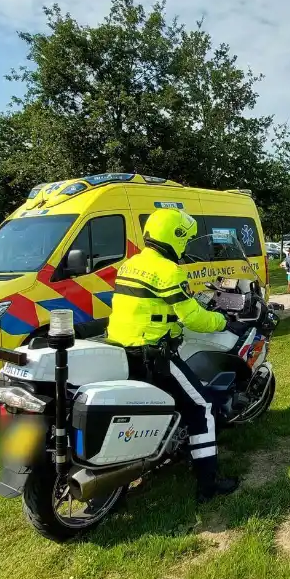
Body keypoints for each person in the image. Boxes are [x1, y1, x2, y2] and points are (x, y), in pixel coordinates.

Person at [108, 208, 248, 502]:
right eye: (186, 239)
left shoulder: (130, 264)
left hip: (121, 349)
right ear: (175, 237)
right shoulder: (167, 270)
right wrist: (224, 321)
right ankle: (208, 484)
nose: (186, 246)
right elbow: (193, 318)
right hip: (153, 354)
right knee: (202, 408)